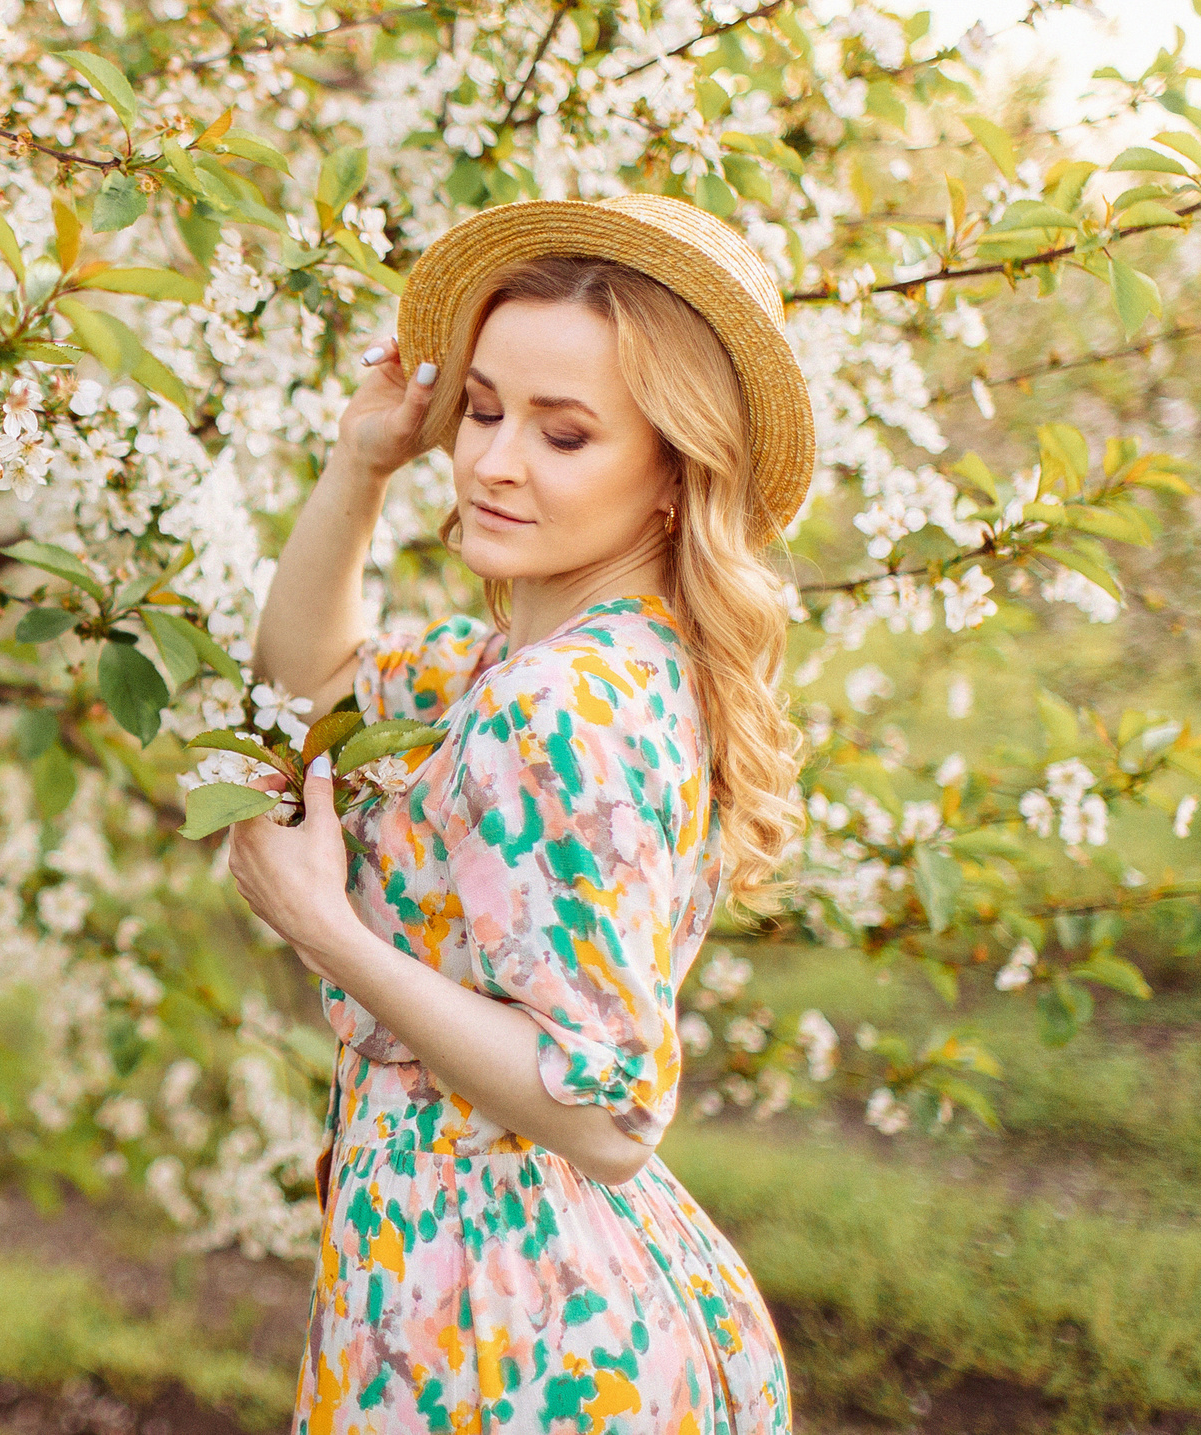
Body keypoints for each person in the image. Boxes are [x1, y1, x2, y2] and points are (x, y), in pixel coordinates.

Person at [229, 195, 812, 1434]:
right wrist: (361, 463)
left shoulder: (558, 708)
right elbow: (308, 686)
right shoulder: (564, 657)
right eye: (482, 411)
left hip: (504, 1318)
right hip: (517, 1279)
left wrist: (326, 932)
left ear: (671, 471)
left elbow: (605, 1117)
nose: (493, 461)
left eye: (564, 434)